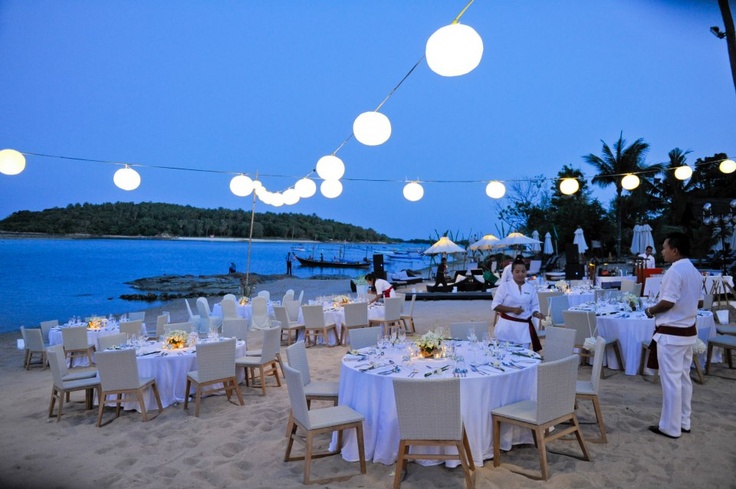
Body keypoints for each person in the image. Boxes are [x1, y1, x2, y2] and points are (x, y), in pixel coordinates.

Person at [644, 232, 702, 439]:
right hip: (687, 332)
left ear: (674, 250)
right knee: (684, 379)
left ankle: (670, 426)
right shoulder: (694, 271)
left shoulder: (675, 271)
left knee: (671, 381)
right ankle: (684, 421)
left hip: (672, 334)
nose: (662, 251)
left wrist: (650, 310)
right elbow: (700, 301)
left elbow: (668, 302)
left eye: (664, 247)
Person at [491, 255, 544, 352]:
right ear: (512, 273)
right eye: (517, 271)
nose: (520, 274)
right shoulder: (504, 287)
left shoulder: (531, 288)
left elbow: (534, 306)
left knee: (524, 359)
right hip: (506, 329)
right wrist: (512, 310)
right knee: (504, 358)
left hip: (523, 331)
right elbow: (494, 305)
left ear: (526, 272)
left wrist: (536, 313)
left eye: (523, 271)